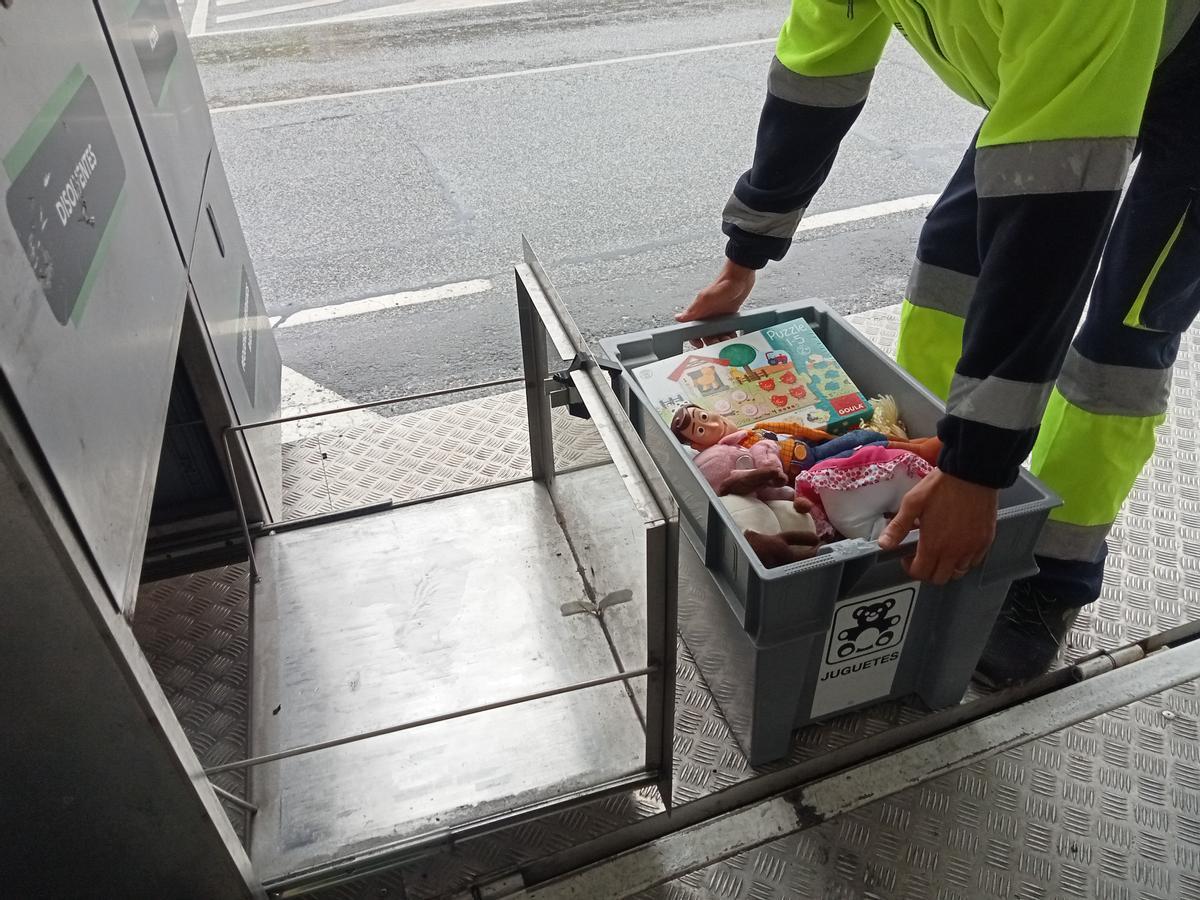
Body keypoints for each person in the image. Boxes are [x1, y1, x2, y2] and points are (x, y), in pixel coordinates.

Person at [677, 1, 1200, 683]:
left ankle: (1053, 575)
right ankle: (913, 467)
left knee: (1120, 343)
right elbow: (817, 76)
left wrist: (978, 470)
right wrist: (743, 258)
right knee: (954, 261)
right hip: (1058, 67)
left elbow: (1050, 225)